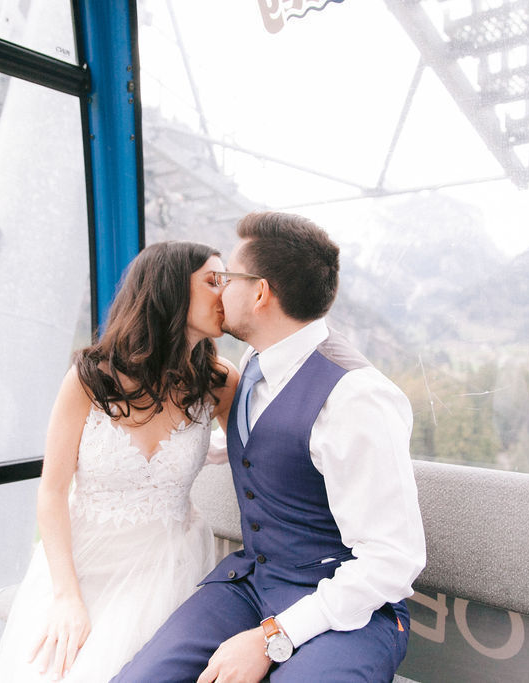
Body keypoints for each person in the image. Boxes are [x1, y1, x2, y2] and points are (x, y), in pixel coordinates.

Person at [112, 212, 427, 682]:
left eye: (228, 279)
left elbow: (392, 560)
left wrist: (272, 636)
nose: (219, 291)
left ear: (259, 293)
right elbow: (264, 448)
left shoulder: (357, 398)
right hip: (251, 585)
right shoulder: (254, 363)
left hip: (350, 611)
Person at [0, 241, 239, 682]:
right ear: (170, 291)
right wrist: (66, 598)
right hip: (83, 563)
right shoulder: (90, 378)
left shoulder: (219, 381)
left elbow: (257, 457)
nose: (227, 293)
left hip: (168, 564)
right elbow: (51, 492)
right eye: (213, 281)